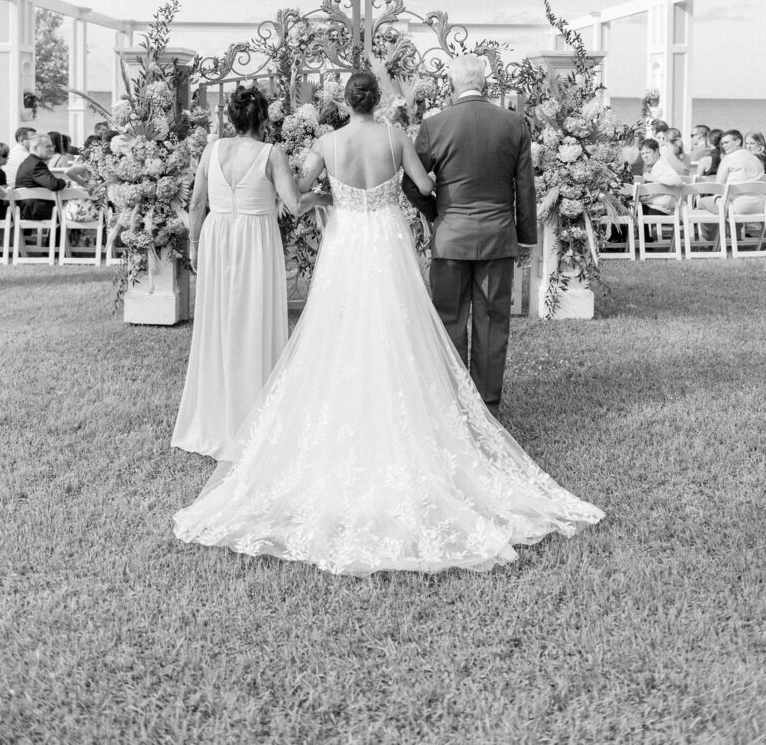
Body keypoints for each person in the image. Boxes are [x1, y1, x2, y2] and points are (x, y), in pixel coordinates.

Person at [173, 70, 604, 575]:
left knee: (336, 329)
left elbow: (301, 188)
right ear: (377, 100)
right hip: (386, 240)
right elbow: (423, 184)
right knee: (398, 325)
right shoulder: (396, 136)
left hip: (345, 243)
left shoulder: (328, 141)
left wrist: (327, 196)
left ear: (344, 103)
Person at [172, 87, 331, 461]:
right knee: (252, 317)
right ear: (263, 120)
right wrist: (324, 198)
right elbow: (293, 204)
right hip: (255, 240)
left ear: (233, 119)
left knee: (220, 320)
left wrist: (195, 244)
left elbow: (196, 203)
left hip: (217, 235)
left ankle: (218, 411)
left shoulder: (211, 150)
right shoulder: (271, 153)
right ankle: (254, 407)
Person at [402, 55, 537, 415]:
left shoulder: (435, 125)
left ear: (451, 85)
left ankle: (452, 403)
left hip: (451, 238)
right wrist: (526, 238)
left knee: (449, 319)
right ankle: (488, 406)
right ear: (486, 85)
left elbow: (411, 185)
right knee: (492, 322)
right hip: (497, 238)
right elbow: (524, 187)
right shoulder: (514, 123)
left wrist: (437, 215)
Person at [13, 134, 88, 220]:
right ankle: (64, 234)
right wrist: (65, 181)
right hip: (33, 210)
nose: (52, 149)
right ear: (36, 148)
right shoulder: (37, 164)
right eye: (48, 147)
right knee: (70, 212)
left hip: (26, 208)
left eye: (52, 146)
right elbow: (54, 185)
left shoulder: (29, 162)